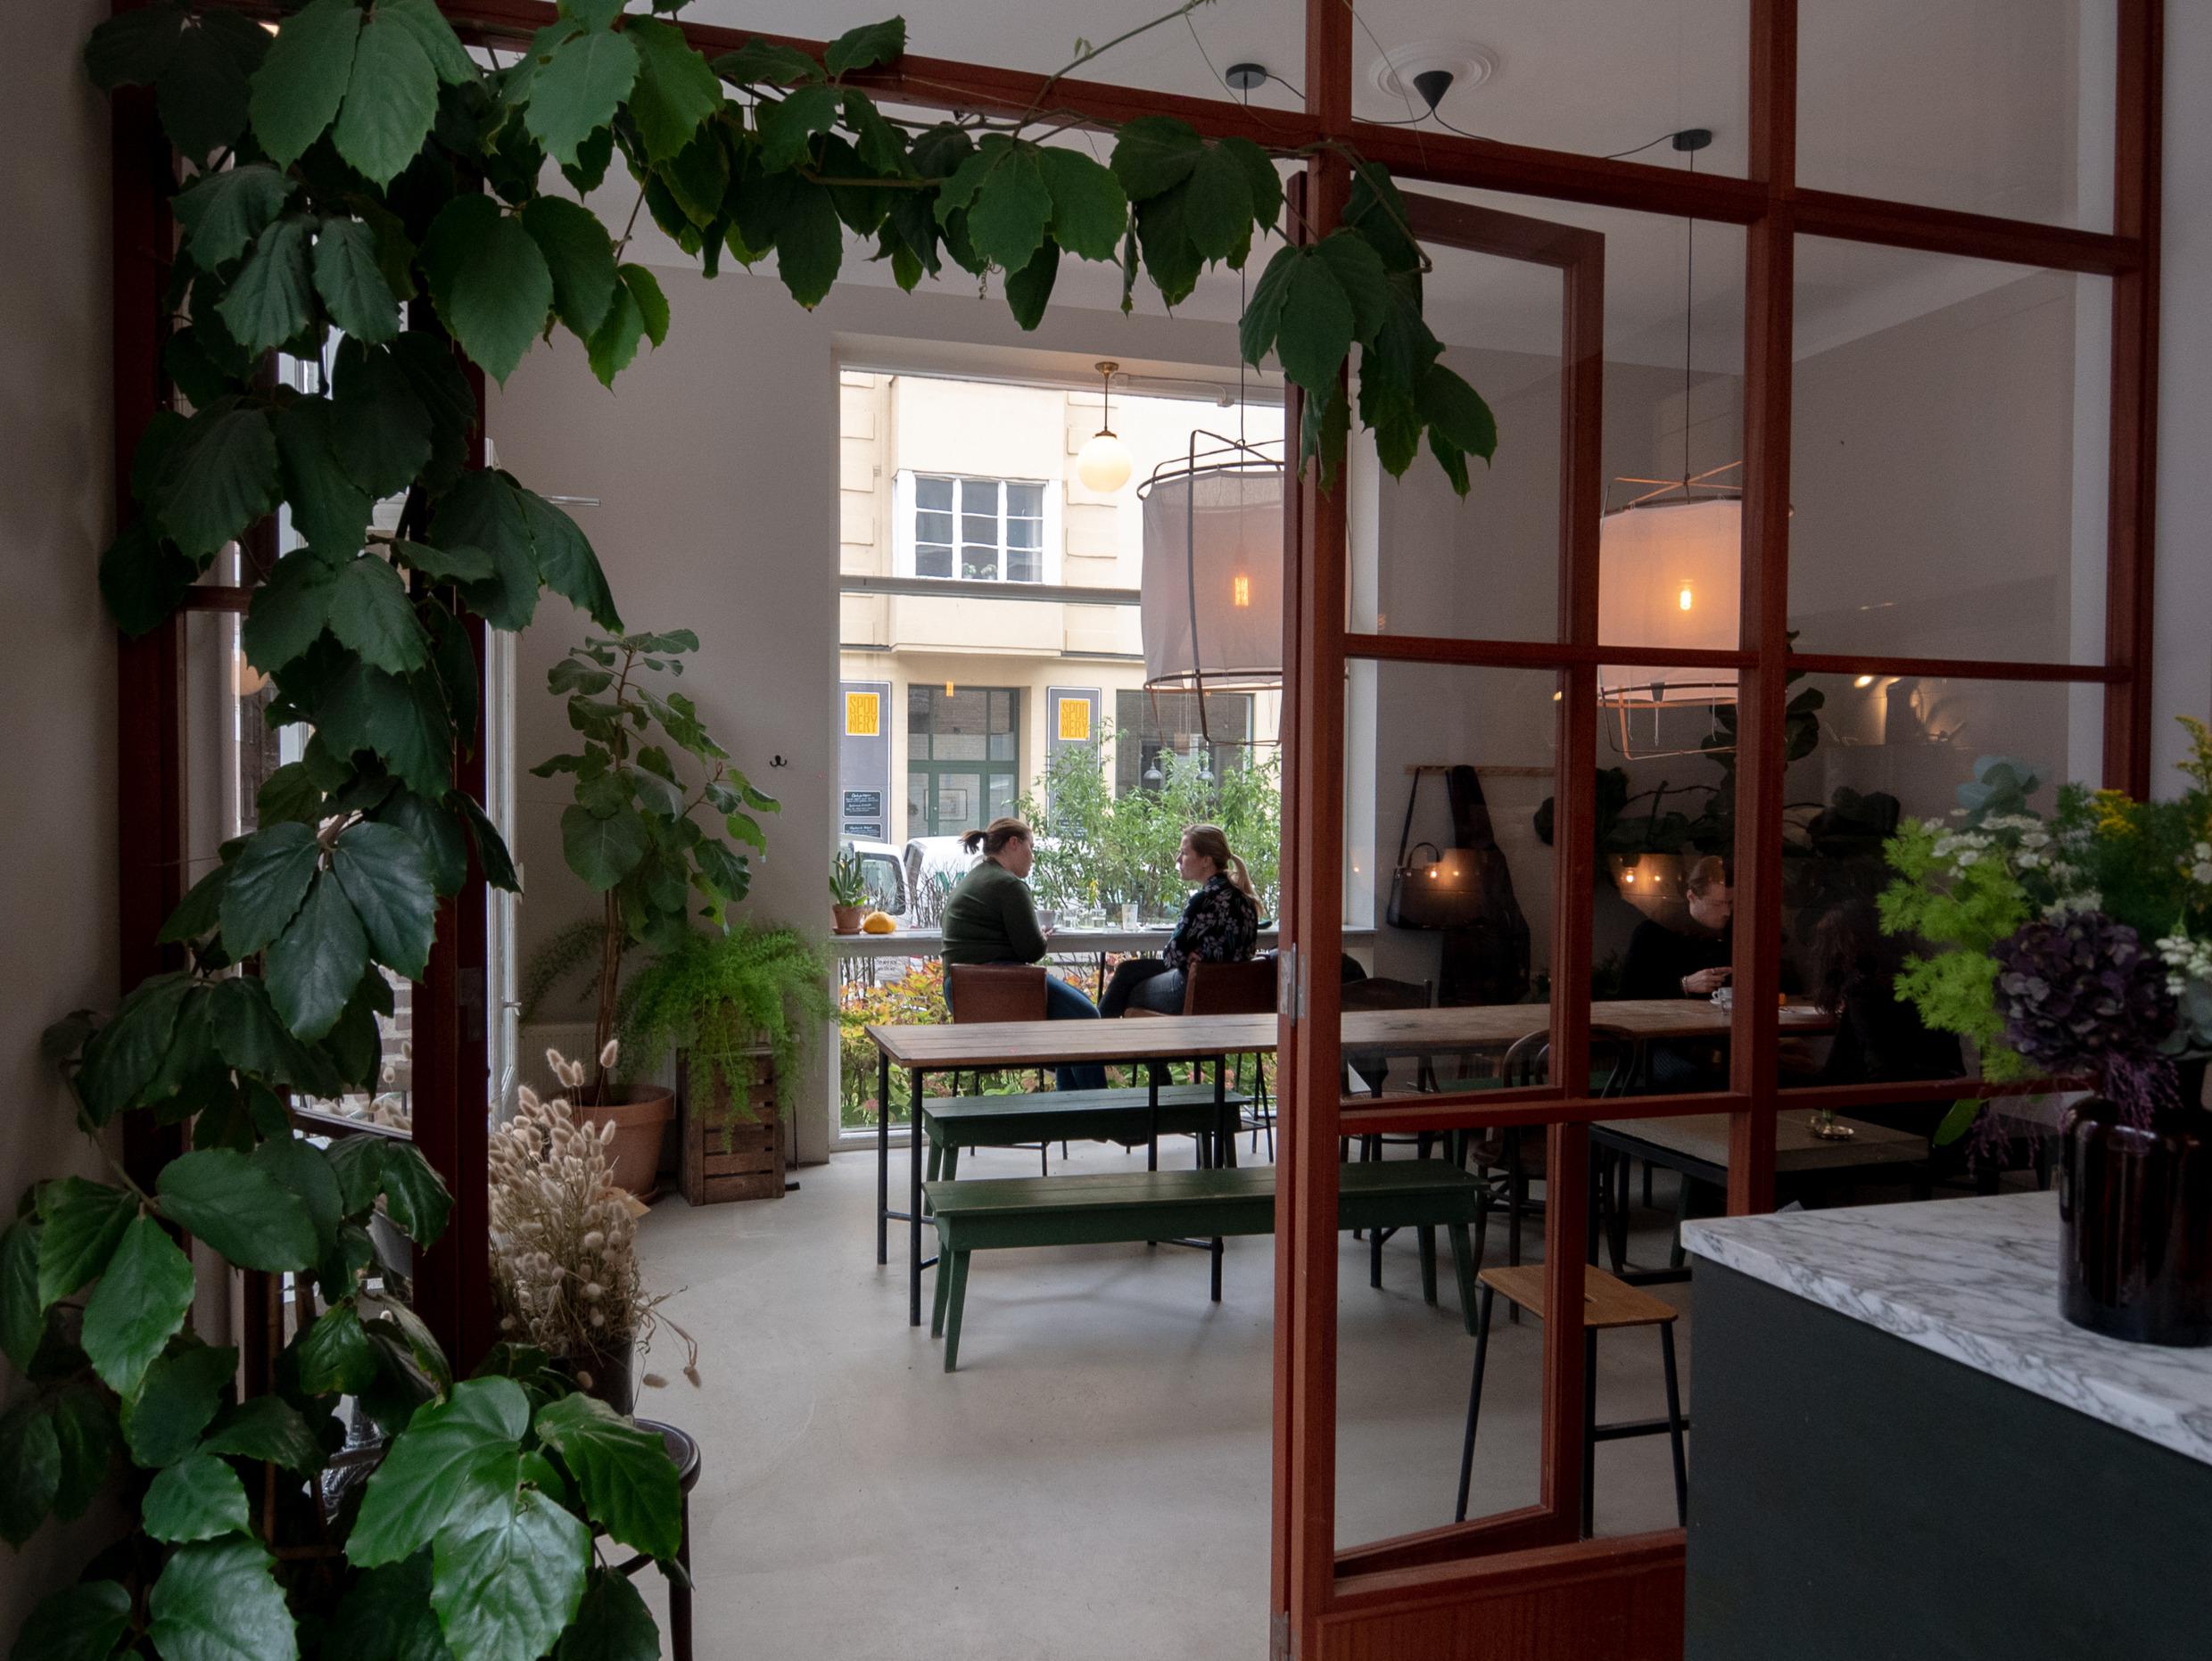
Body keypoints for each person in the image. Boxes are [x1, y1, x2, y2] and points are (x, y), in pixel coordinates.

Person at [940, 818, 1106, 1091]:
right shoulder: (1008, 885)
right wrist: (1041, 936)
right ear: (1013, 844)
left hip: (962, 992)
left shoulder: (976, 877)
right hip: (996, 987)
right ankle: (1097, 1111)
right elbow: (1031, 950)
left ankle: (1075, 1109)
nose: (1033, 857)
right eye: (1031, 847)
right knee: (1086, 1017)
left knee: (1068, 1029)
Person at [1101, 825, 1261, 1018]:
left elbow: (1171, 957)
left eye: (1184, 853)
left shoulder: (1203, 900)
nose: (1178, 859)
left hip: (1196, 990)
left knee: (1131, 988)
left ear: (1206, 860)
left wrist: (1189, 955)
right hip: (1231, 995)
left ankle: (1094, 1035)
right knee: (1128, 971)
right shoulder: (1245, 899)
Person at [1621, 855, 1734, 1091]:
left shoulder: (1733, 935)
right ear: (1692, 897)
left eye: (1730, 903)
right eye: (1717, 904)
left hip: (1718, 1040)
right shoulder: (1653, 933)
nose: (1726, 912)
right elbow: (1628, 995)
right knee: (1691, 1076)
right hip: (1657, 1043)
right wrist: (1683, 985)